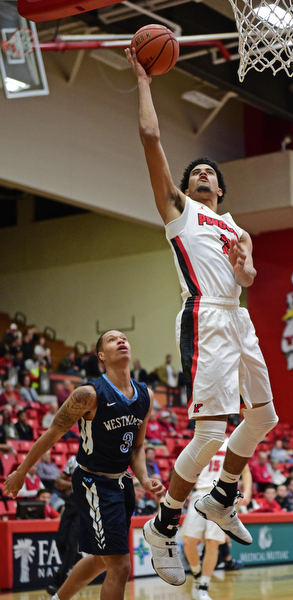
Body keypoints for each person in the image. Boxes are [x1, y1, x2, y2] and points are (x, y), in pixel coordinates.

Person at [125, 46, 278, 587]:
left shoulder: (238, 229)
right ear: (188, 191)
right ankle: (163, 525)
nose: (204, 173)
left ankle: (221, 497)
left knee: (264, 418)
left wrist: (246, 267)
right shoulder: (179, 211)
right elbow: (150, 139)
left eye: (211, 172)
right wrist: (143, 81)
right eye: (197, 173)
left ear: (222, 188)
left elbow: (250, 280)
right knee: (212, 432)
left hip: (237, 317)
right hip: (205, 318)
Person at [3, 329, 165, 600]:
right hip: (93, 482)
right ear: (101, 355)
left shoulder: (144, 395)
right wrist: (20, 472)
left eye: (124, 337)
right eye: (113, 339)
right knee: (120, 564)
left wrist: (145, 479)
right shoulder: (87, 394)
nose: (121, 340)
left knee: (104, 560)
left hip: (121, 482)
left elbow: (136, 447)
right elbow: (52, 433)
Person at [182, 437, 252, 600]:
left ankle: (203, 587)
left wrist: (247, 492)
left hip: (223, 495)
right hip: (200, 493)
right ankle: (197, 574)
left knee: (213, 542)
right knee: (189, 542)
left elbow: (246, 472)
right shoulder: (199, 440)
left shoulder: (233, 443)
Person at [47, 455, 81, 596]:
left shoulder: (97, 459)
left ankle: (57, 583)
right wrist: (73, 484)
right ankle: (78, 560)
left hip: (86, 503)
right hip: (71, 501)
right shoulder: (73, 460)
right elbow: (59, 482)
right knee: (60, 541)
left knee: (71, 544)